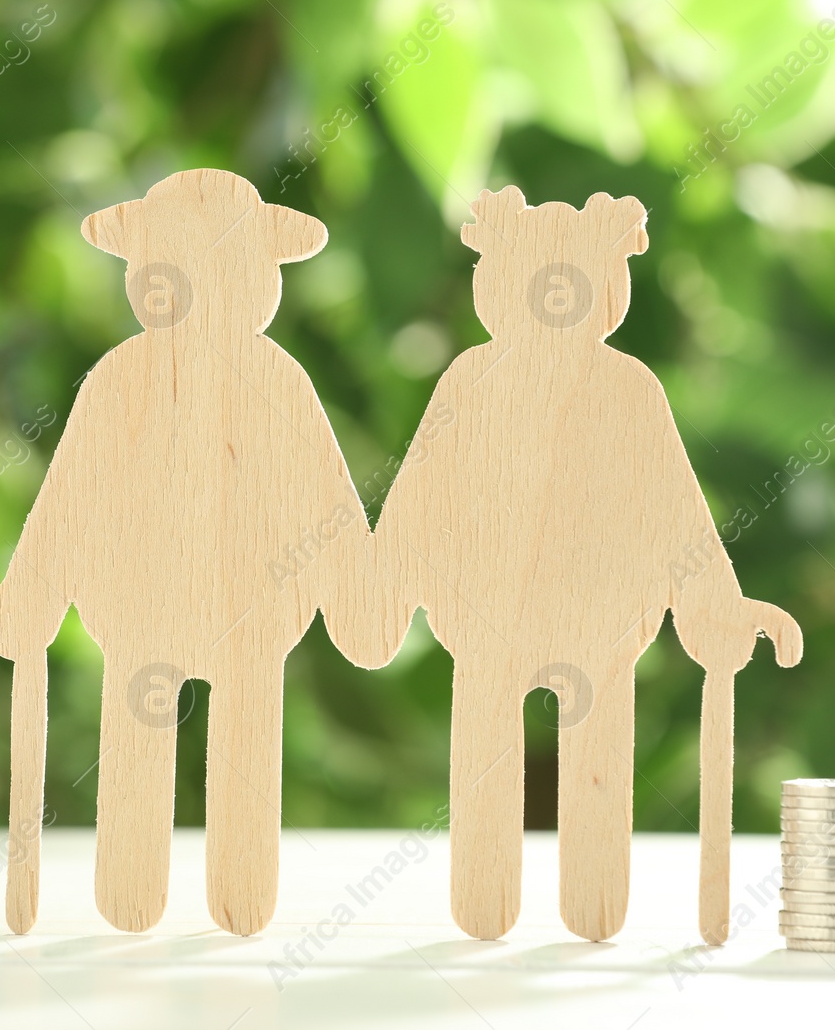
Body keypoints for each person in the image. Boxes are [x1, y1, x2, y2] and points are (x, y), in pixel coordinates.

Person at [332, 185, 801, 941]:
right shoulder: (469, 385)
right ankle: (485, 904)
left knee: (598, 769)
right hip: (485, 626)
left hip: (601, 630)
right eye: (538, 279)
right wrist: (381, 588)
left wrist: (718, 604)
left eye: (571, 281)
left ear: (604, 291)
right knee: (485, 763)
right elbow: (422, 495)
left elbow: (675, 512)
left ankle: (594, 904)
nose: (554, 296)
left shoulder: (629, 389)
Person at [0, 169, 368, 936]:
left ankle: (241, 893)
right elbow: (70, 499)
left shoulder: (277, 379)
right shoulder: (119, 379)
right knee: (137, 746)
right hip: (139, 608)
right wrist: (26, 596)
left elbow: (328, 500)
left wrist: (357, 593)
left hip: (254, 614)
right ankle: (131, 892)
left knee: (245, 746)